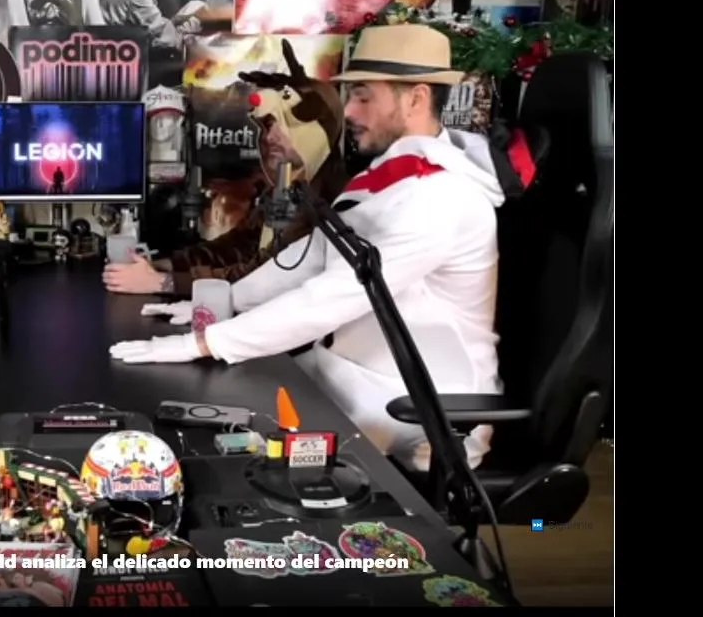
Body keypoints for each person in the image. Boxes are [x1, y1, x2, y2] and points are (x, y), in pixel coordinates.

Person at [110, 24, 507, 471]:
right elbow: (312, 258)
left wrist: (205, 342)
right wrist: (226, 303)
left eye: (363, 97)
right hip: (350, 378)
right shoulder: (386, 178)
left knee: (234, 449)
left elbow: (335, 295)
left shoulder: (442, 198)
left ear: (415, 99)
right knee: (212, 406)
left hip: (421, 407)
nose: (349, 111)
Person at [103, 39, 348, 298]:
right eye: (268, 126)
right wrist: (164, 265)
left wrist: (164, 282)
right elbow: (237, 247)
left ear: (316, 131)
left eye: (284, 125)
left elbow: (260, 276)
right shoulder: (284, 189)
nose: (270, 137)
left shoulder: (329, 203)